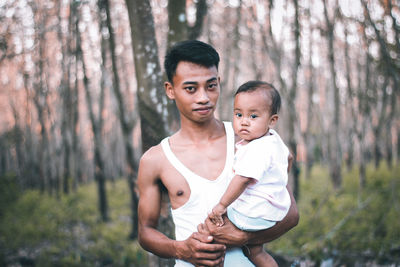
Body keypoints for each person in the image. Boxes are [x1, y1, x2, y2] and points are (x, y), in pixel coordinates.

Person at [137, 40, 299, 267]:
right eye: (191, 88)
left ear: (219, 83)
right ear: (170, 90)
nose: (203, 97)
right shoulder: (156, 159)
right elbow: (145, 232)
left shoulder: (252, 141)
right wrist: (181, 249)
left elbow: (291, 215)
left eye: (211, 86)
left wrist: (245, 238)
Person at [208, 81, 290, 267]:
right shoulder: (273, 140)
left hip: (251, 214)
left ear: (272, 120)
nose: (244, 121)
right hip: (270, 210)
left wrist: (221, 206)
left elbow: (242, 179)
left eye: (253, 116)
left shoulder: (257, 149)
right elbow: (289, 160)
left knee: (211, 230)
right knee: (256, 251)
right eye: (238, 114)